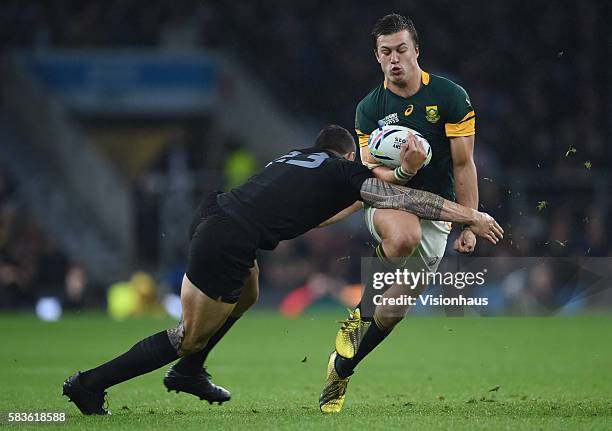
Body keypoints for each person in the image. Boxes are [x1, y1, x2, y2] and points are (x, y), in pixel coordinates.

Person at [62, 125, 502, 415]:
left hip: (220, 215)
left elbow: (372, 184)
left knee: (248, 294)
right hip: (229, 238)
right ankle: (90, 384)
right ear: (348, 154)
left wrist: (397, 171)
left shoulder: (301, 157)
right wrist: (470, 215)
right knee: (187, 335)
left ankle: (190, 372)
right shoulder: (340, 171)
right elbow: (397, 198)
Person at [319, 14, 482, 413]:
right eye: (386, 52)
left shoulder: (450, 98)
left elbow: (463, 165)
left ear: (416, 51)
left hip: (439, 213)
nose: (395, 59)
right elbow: (370, 175)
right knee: (404, 235)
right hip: (390, 203)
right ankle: (356, 316)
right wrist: (406, 170)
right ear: (377, 57)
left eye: (401, 50)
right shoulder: (369, 109)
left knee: (391, 313)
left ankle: (340, 369)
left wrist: (468, 220)